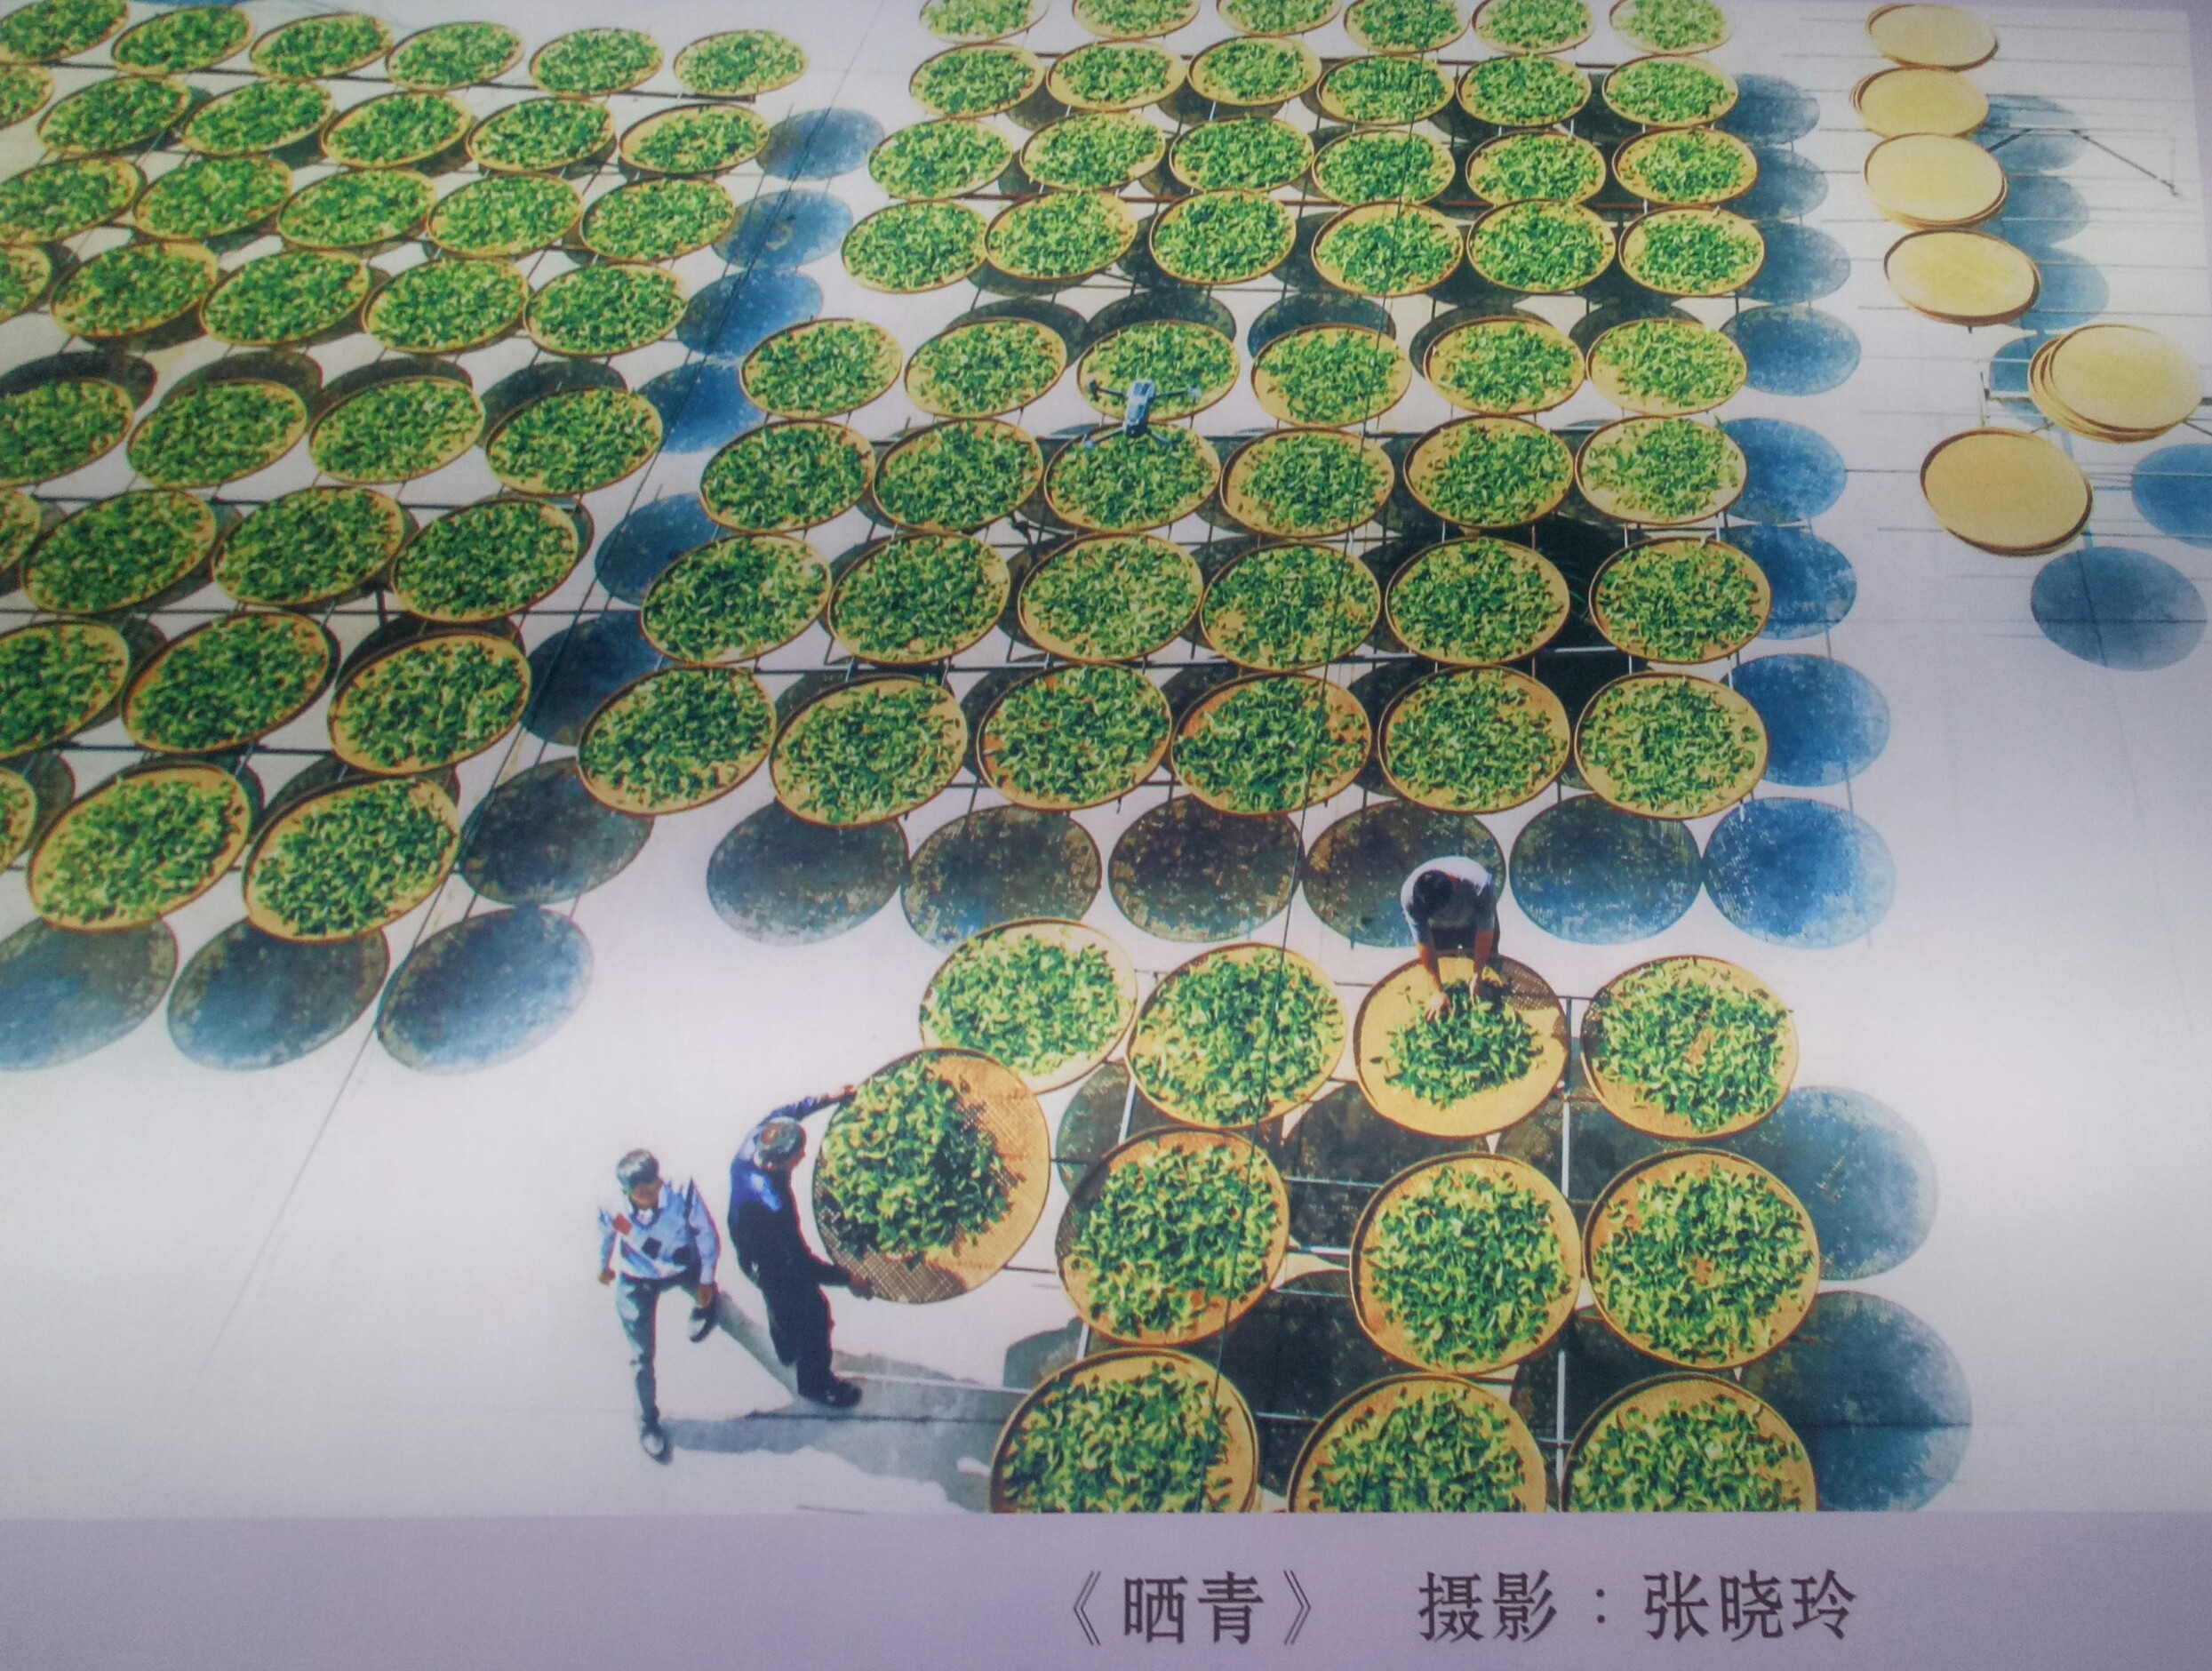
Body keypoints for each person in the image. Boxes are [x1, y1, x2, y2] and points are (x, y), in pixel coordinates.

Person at [730, 1093, 874, 1410]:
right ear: (776, 1164)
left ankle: (785, 1346)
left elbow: (788, 1111)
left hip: (745, 1249)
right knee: (815, 1314)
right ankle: (815, 1384)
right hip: (771, 1261)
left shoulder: (754, 1142)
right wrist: (847, 1279)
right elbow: (800, 1262)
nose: (803, 1156)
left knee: (777, 1303)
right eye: (797, 1155)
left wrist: (830, 1098)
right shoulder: (770, 1203)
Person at [596, 1149, 721, 1463]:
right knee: (640, 1357)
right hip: (638, 1277)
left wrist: (706, 1280)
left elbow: (706, 1235)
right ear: (627, 1191)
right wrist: (604, 1265)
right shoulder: (612, 1207)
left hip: (683, 1266)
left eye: (656, 1186)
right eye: (644, 1192)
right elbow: (607, 1234)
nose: (653, 1194)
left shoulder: (683, 1191)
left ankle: (705, 1307)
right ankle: (647, 1424)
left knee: (707, 1293)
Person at [1401, 855, 1505, 1019]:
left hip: (1473, 923)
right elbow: (1423, 942)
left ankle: (1488, 995)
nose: (1444, 913)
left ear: (1453, 883)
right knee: (1446, 970)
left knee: (1487, 972)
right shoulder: (1410, 898)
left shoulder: (1479, 885)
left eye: (1444, 908)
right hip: (1440, 929)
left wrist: (1478, 975)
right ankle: (1444, 1000)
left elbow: (1485, 932)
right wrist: (1437, 991)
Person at [1082, 376, 1202, 447]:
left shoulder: (1142, 398)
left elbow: (1121, 394)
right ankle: (1170, 444)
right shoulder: (1134, 399)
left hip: (1139, 404)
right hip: (1135, 405)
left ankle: (1170, 444)